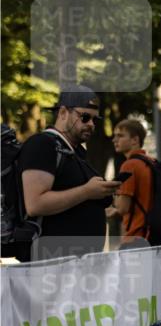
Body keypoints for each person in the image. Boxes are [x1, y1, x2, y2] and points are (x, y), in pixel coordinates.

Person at [20, 86, 119, 257]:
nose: (91, 125)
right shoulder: (43, 144)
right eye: (85, 117)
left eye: (95, 120)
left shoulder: (72, 152)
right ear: (63, 112)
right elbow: (35, 204)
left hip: (77, 265)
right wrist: (87, 192)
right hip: (52, 264)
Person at [105, 119, 157, 246]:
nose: (114, 140)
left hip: (135, 236)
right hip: (152, 233)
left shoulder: (129, 165)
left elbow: (123, 207)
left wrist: (115, 202)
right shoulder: (151, 162)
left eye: (120, 136)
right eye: (114, 136)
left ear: (135, 140)